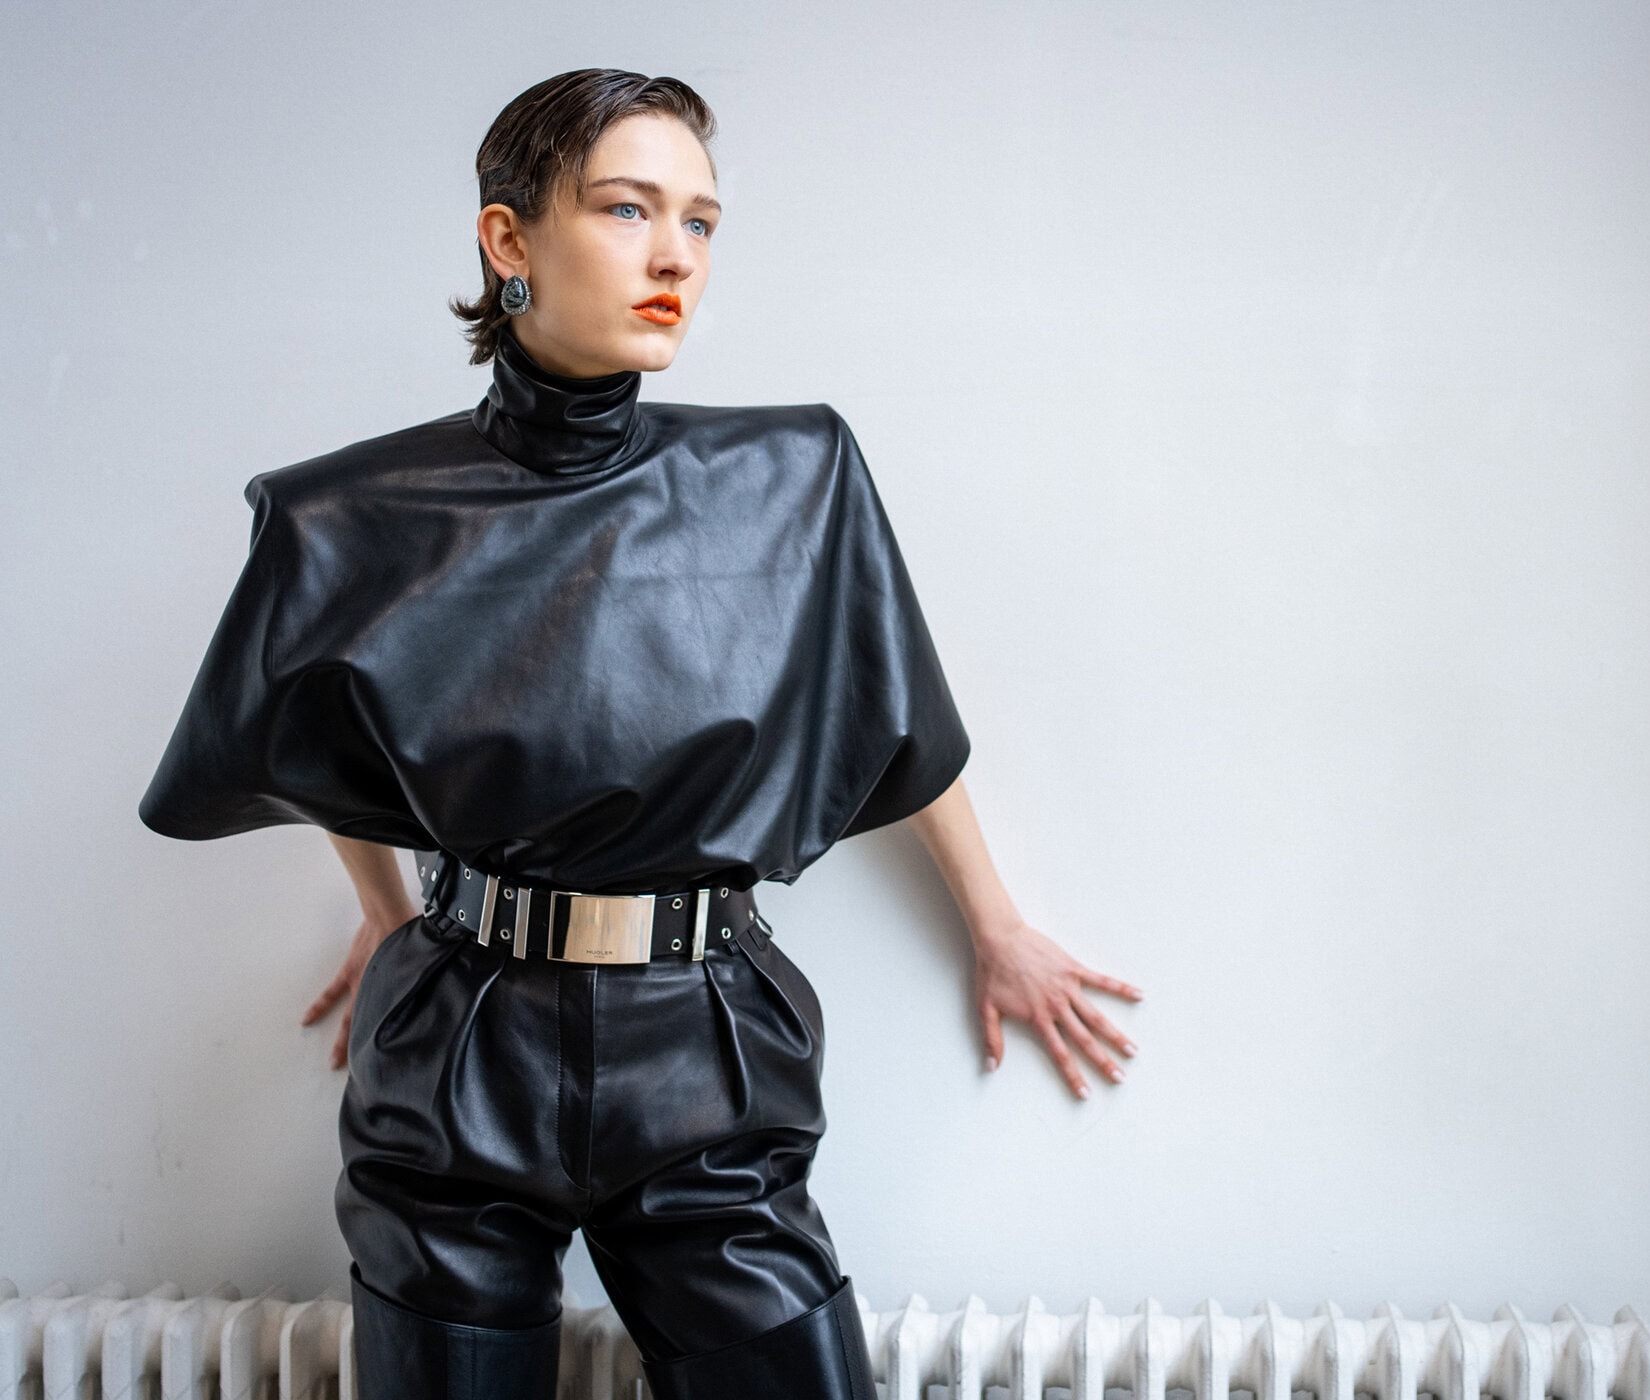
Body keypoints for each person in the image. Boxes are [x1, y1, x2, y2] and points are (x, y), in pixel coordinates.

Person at [138, 68, 1143, 1400]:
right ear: (508, 238)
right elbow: (324, 743)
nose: (676, 255)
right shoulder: (351, 515)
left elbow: (889, 707)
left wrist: (996, 925)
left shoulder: (792, 478)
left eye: (700, 219)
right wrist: (389, 912)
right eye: (627, 208)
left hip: (706, 1048)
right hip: (457, 1052)